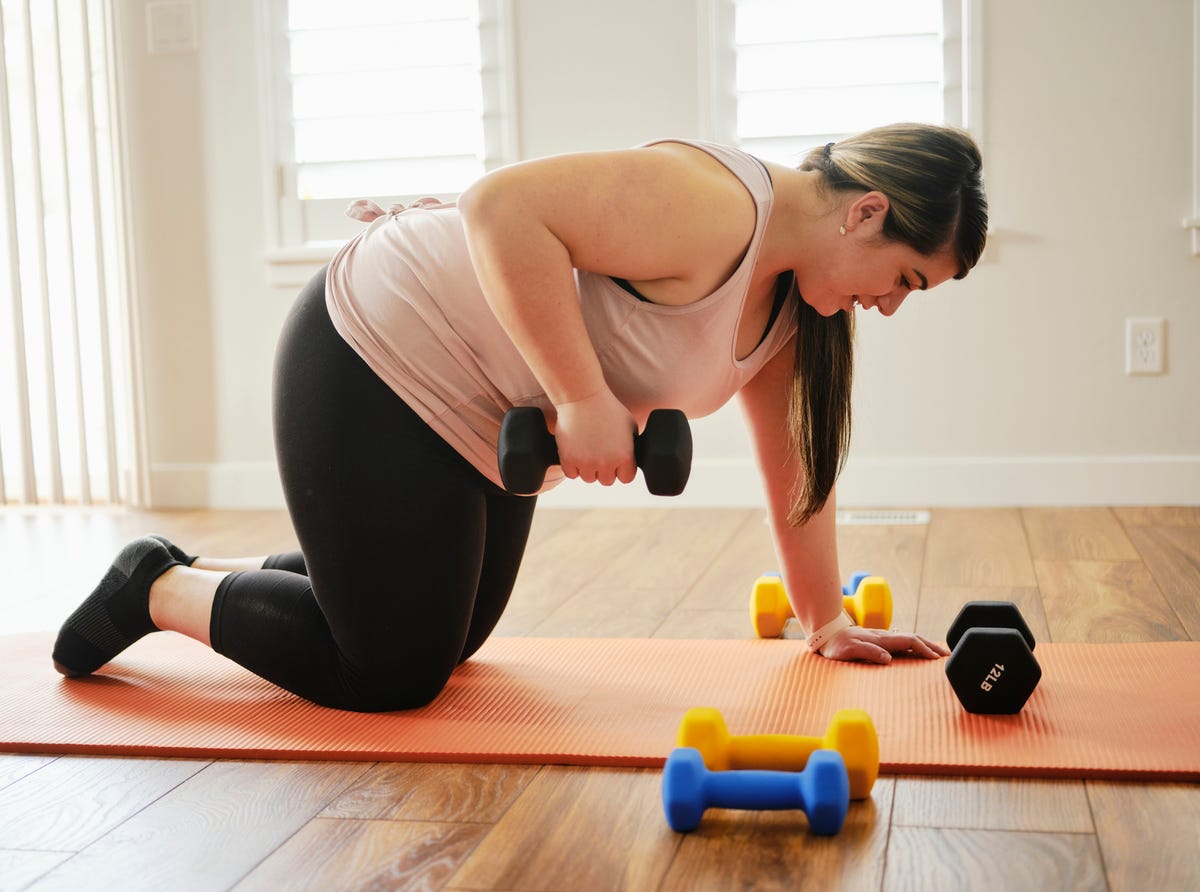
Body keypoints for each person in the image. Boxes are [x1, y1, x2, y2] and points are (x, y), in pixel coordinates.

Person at [52, 122, 987, 712]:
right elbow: (501, 206)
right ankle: (154, 587)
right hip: (381, 344)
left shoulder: (796, 310)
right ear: (867, 212)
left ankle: (295, 574)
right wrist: (583, 400)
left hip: (488, 406)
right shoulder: (716, 204)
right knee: (391, 673)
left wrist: (826, 619)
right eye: (906, 279)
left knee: (454, 637)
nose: (892, 305)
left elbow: (797, 471)